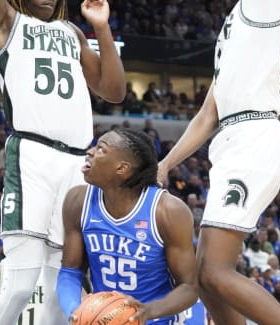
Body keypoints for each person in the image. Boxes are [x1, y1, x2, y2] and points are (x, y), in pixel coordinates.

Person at [0, 0, 125, 322]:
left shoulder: (72, 34)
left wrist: (102, 28)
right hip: (32, 156)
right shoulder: (3, 23)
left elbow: (113, 91)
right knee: (21, 284)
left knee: (61, 287)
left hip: (77, 164)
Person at [156, 0, 280, 325]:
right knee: (202, 276)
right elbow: (206, 115)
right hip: (230, 140)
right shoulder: (229, 32)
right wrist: (166, 164)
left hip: (255, 136)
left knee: (215, 270)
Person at [58, 128, 198, 323]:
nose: (90, 152)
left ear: (122, 168)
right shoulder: (78, 201)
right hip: (103, 318)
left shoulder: (167, 211)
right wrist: (76, 313)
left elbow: (189, 288)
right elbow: (70, 272)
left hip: (157, 319)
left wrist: (148, 311)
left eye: (101, 149)